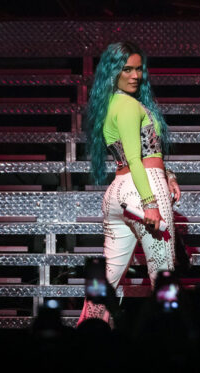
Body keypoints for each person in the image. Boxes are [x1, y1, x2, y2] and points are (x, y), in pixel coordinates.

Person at [77, 41, 181, 325]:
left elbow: (140, 155)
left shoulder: (110, 105)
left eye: (139, 69)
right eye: (127, 69)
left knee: (106, 281)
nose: (136, 76)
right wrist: (150, 203)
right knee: (164, 277)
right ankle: (169, 340)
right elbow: (136, 158)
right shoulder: (128, 105)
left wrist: (169, 175)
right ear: (113, 72)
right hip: (143, 189)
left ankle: (86, 337)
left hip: (119, 191)